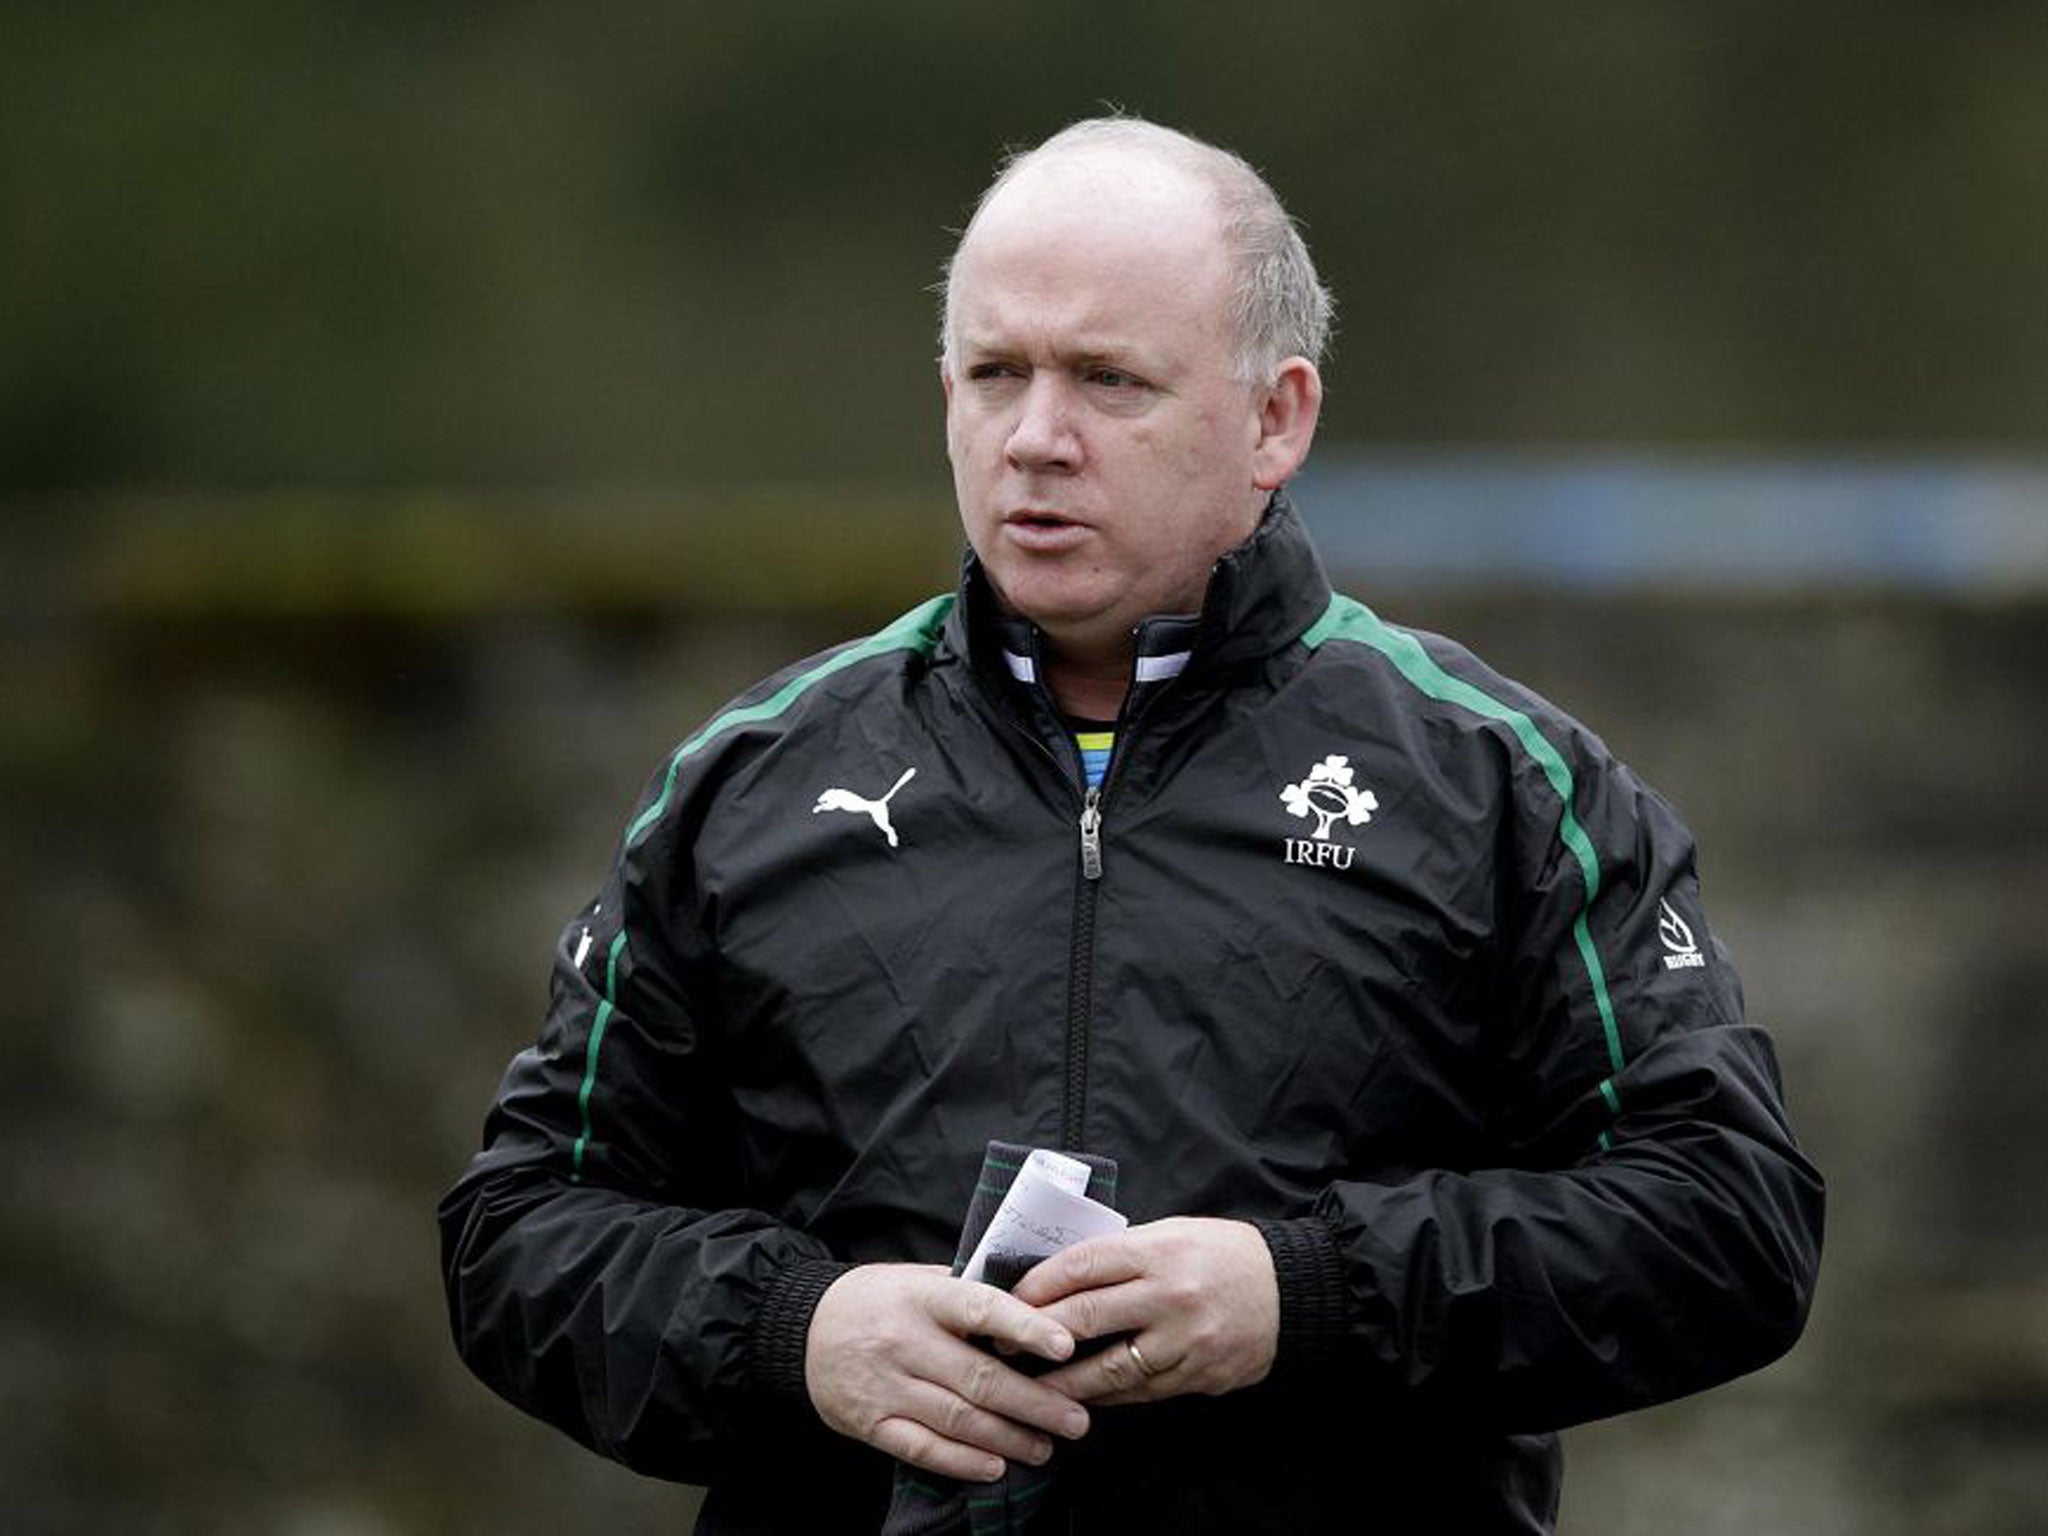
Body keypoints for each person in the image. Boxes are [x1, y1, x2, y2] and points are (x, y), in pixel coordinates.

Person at [439, 117, 1824, 1534]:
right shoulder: (750, 781)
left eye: (1109, 381)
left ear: (1277, 418)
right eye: (995, 375)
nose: (1037, 440)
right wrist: (802, 1331)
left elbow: (1729, 1220)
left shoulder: (1502, 784)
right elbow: (519, 1233)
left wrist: (1304, 1296)